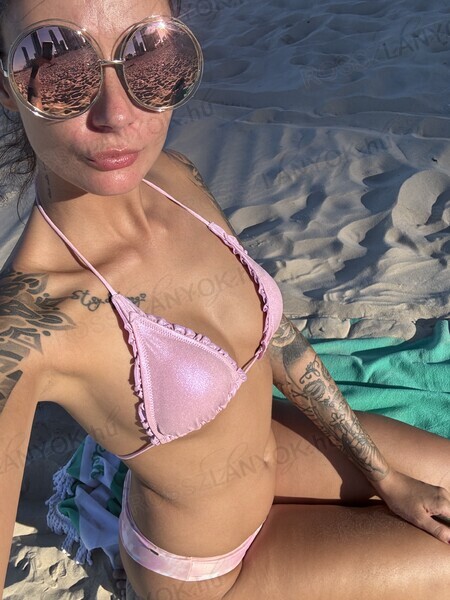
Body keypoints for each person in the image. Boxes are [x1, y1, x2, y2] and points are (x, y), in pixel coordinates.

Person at [0, 1, 449, 599]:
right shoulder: (29, 324)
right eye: (58, 68)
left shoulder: (175, 178)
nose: (117, 113)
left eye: (149, 55)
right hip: (208, 570)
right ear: (7, 87)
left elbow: (277, 339)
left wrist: (386, 477)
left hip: (270, 454)